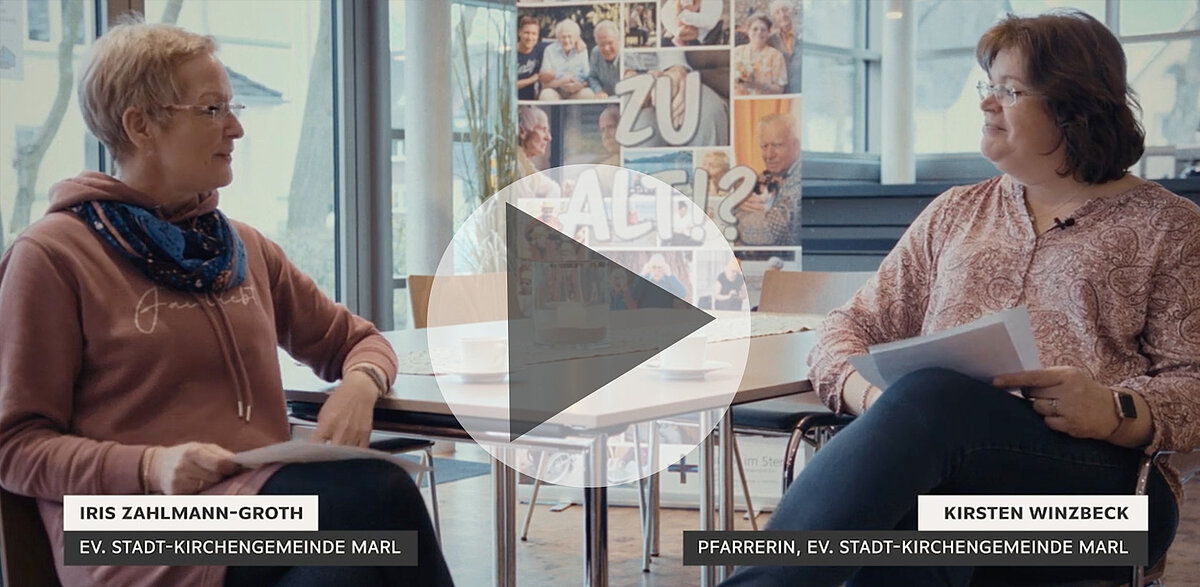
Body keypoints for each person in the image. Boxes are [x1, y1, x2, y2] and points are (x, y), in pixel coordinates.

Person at [721, 10, 1199, 586]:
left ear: (1076, 106)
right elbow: (848, 327)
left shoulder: (1171, 226)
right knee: (914, 536)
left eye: (1010, 90)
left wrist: (1114, 409)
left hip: (1113, 504)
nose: (986, 103)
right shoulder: (955, 212)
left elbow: (1193, 383)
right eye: (987, 86)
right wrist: (880, 408)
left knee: (930, 418)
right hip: (954, 488)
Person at [0, 19, 453, 587]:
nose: (236, 128)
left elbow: (358, 340)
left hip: (260, 507)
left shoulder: (240, 246)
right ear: (140, 125)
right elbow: (15, 448)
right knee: (377, 498)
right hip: (127, 525)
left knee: (359, 562)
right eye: (212, 110)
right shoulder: (51, 255)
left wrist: (361, 384)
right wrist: (150, 465)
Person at [622, 51, 730, 147]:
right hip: (622, 78)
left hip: (665, 67)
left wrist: (676, 69)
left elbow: (668, 35)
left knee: (709, 111)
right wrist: (625, 73)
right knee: (640, 125)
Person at [735, 112, 800, 246]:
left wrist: (733, 214)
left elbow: (767, 231)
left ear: (795, 145)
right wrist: (737, 200)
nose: (769, 155)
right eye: (764, 146)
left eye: (777, 145)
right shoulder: (767, 175)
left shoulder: (800, 179)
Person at [539, 18, 594, 101]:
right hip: (556, 90)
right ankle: (549, 115)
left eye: (570, 36)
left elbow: (589, 78)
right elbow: (544, 84)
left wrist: (580, 85)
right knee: (546, 95)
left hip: (576, 91)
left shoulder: (582, 50)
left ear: (576, 38)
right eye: (563, 37)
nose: (567, 40)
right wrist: (562, 81)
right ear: (558, 37)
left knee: (589, 93)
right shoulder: (549, 50)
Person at [733, 13, 786, 96]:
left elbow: (780, 89)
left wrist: (758, 85)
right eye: (755, 29)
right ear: (748, 31)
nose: (759, 33)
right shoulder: (737, 52)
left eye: (763, 30)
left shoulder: (776, 56)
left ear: (768, 32)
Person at [516, 105, 562, 199]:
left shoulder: (526, 166)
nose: (548, 138)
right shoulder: (513, 165)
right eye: (543, 130)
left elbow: (553, 188)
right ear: (522, 131)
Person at [767, 1, 802, 94]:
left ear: (792, 12)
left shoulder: (806, 34)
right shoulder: (770, 40)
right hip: (783, 95)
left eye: (785, 10)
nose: (782, 15)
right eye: (777, 12)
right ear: (774, 17)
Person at [517, 16, 548, 100]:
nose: (530, 37)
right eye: (526, 33)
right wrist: (532, 79)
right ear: (519, 32)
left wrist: (578, 41)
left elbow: (563, 42)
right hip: (509, 102)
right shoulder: (509, 54)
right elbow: (507, 86)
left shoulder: (541, 48)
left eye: (534, 34)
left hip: (529, 103)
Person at [587, 20, 619, 98]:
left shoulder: (627, 54)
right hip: (605, 100)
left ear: (618, 40)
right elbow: (592, 77)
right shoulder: (595, 52)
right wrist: (599, 91)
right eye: (601, 44)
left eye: (610, 43)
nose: (606, 48)